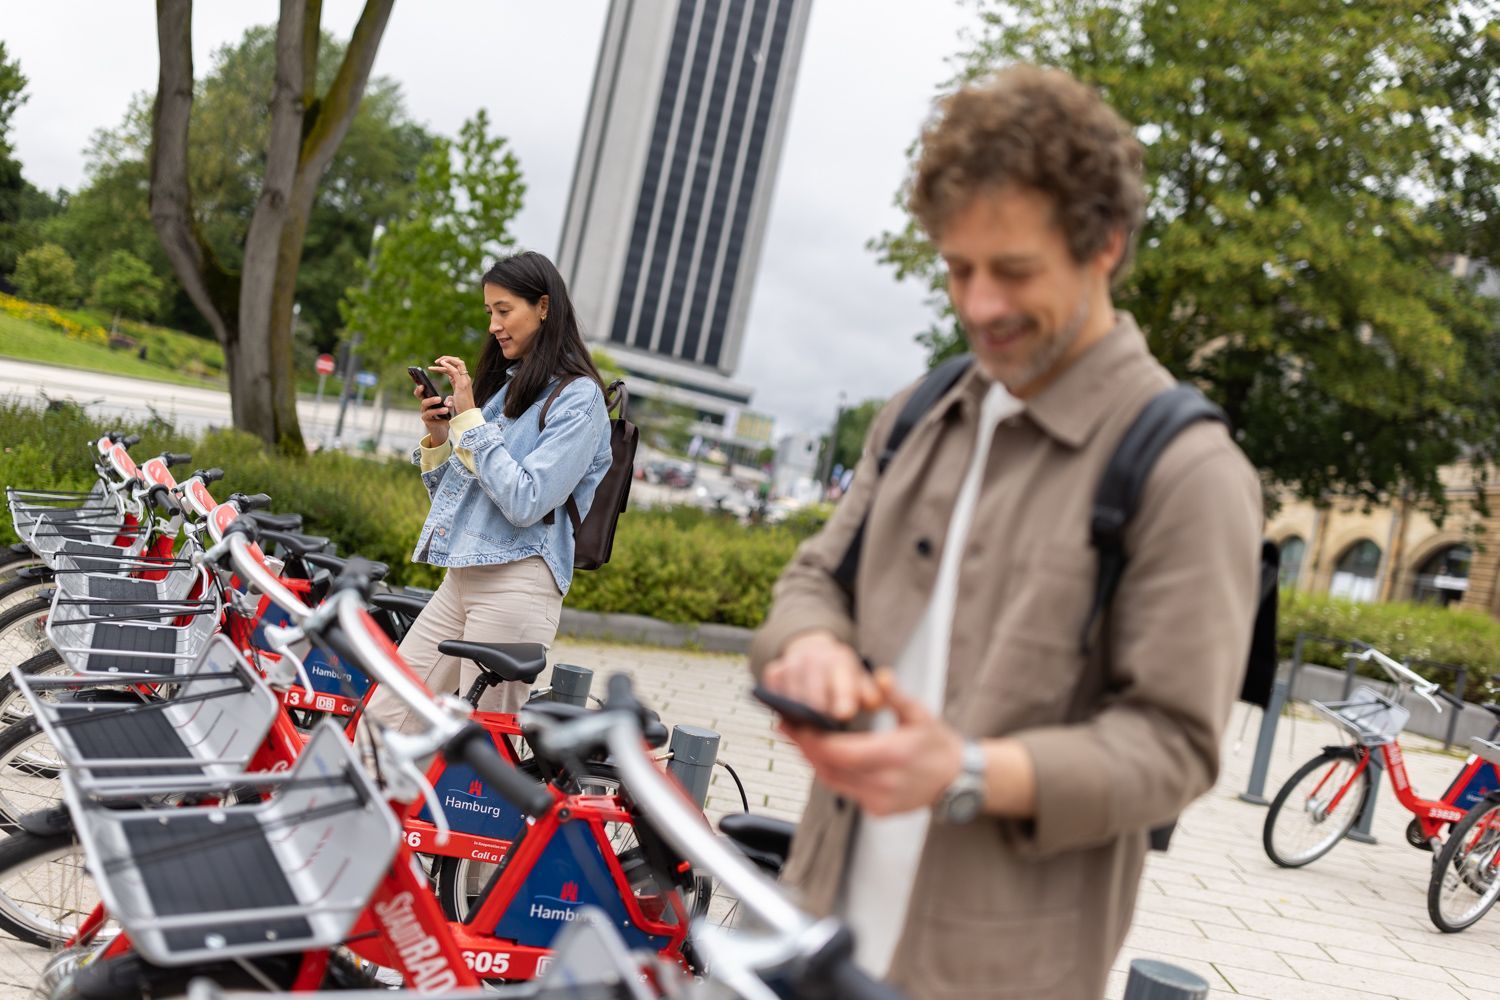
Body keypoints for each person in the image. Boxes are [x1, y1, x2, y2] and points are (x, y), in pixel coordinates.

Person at [749, 65, 1263, 999]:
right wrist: (814, 646)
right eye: (958, 268)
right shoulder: (919, 412)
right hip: (810, 935)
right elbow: (815, 579)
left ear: (1104, 244)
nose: (980, 305)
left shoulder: (1191, 473)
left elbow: (1176, 748)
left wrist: (970, 770)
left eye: (1015, 271)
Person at [363, 251, 613, 732]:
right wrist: (442, 435)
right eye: (489, 313)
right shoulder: (507, 389)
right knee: (383, 722)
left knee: (480, 755)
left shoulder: (579, 399)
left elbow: (526, 501)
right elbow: (458, 500)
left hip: (519, 583)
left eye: (504, 310)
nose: (495, 325)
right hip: (462, 578)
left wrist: (471, 419)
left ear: (543, 307)